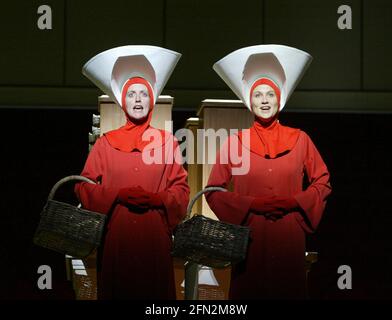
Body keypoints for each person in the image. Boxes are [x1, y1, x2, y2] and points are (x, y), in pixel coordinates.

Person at [206, 45, 332, 299]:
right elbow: (213, 191)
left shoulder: (300, 139)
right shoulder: (235, 142)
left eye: (269, 95)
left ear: (279, 98)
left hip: (289, 237)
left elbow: (323, 182)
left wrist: (295, 205)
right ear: (249, 101)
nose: (264, 101)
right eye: (258, 95)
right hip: (250, 239)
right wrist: (250, 205)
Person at [75, 46, 190, 299]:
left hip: (154, 238)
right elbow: (83, 187)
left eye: (143, 94)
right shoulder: (106, 142)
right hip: (117, 236)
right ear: (122, 101)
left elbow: (181, 191)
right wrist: (117, 195)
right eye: (131, 95)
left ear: (151, 100)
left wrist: (158, 199)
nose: (137, 100)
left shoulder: (167, 141)